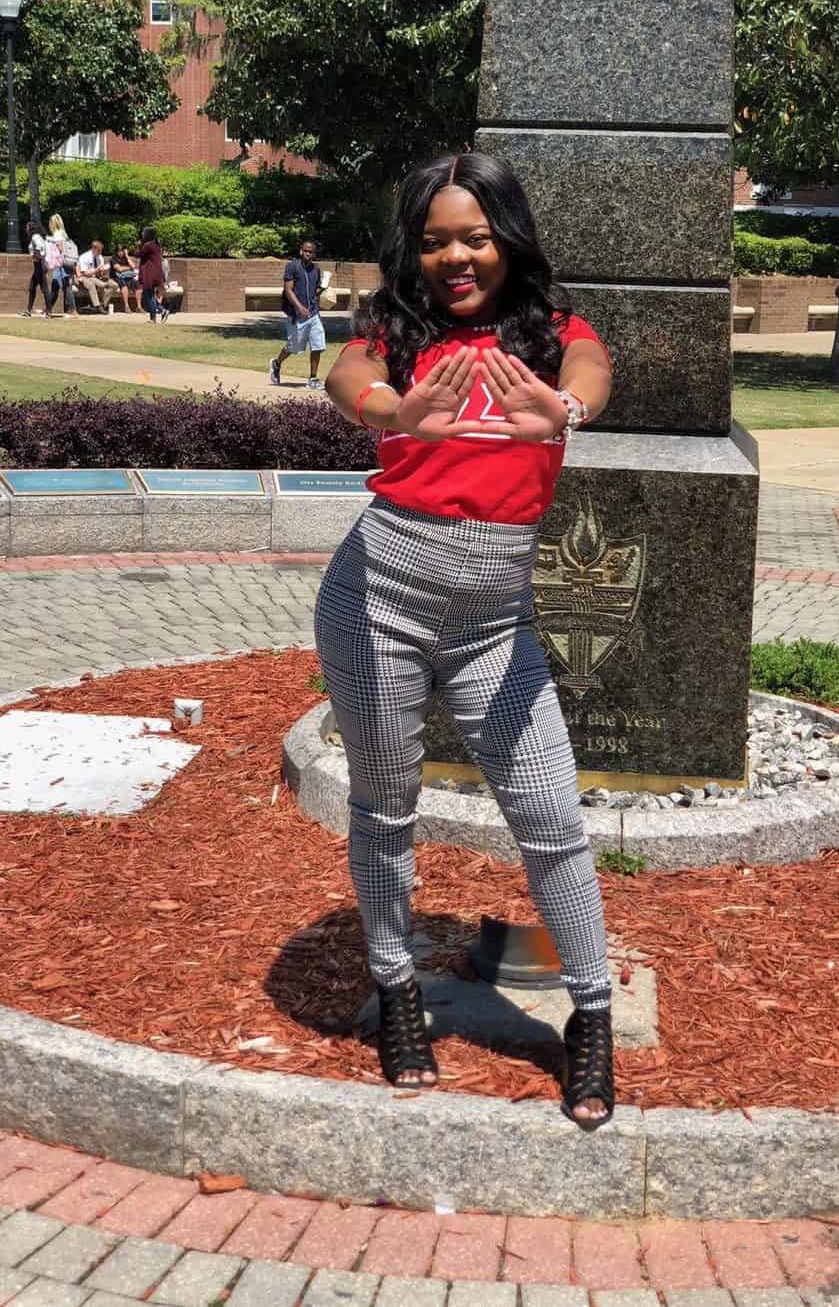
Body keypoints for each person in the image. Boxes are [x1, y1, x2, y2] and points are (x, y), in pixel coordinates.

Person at [316, 152, 616, 1130]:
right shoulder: (398, 334)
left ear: (508, 241)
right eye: (435, 239)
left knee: (551, 814)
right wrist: (396, 411)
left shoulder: (549, 335)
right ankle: (397, 989)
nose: (455, 257)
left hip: (496, 623)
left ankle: (592, 1015)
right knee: (385, 807)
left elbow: (592, 370)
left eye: (475, 238)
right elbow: (345, 372)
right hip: (378, 597)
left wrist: (563, 411)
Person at [269, 240, 326, 390]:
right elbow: (288, 290)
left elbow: (314, 292)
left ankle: (313, 378)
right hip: (297, 315)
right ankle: (276, 363)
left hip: (313, 314)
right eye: (305, 251)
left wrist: (322, 289)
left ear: (314, 254)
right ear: (301, 251)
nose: (308, 253)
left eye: (311, 252)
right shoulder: (292, 266)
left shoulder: (315, 269)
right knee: (293, 347)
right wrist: (300, 307)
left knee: (318, 345)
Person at [46, 214, 78, 318]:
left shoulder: (57, 233)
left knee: (61, 286)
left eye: (50, 222)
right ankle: (48, 309)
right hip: (66, 262)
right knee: (61, 286)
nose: (49, 225)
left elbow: (60, 248)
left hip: (61, 264)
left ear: (53, 223)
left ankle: (72, 311)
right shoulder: (64, 233)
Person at [19, 220, 53, 318]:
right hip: (38, 265)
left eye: (27, 227)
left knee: (44, 288)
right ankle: (28, 311)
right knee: (32, 287)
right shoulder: (36, 237)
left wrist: (37, 256)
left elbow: (39, 247)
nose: (26, 229)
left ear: (31, 228)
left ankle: (49, 312)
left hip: (40, 264)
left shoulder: (35, 237)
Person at [137, 226, 169, 323]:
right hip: (157, 272)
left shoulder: (148, 245)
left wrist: (139, 244)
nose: (142, 234)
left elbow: (138, 254)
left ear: (148, 234)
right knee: (150, 295)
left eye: (144, 233)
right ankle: (153, 318)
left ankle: (161, 310)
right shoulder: (156, 244)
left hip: (150, 273)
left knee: (148, 295)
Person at [76, 239, 117, 313]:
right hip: (84, 277)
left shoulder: (100, 257)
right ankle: (97, 306)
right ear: (94, 249)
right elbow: (84, 273)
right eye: (99, 250)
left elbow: (99, 273)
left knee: (114, 285)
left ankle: (102, 305)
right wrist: (97, 270)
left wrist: (103, 271)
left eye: (101, 250)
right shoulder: (84, 257)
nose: (100, 252)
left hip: (96, 278)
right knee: (91, 283)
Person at [112, 243, 142, 313]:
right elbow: (119, 269)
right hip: (118, 277)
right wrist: (129, 268)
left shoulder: (126, 257)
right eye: (119, 251)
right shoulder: (114, 258)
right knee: (124, 285)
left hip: (128, 277)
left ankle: (139, 307)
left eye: (122, 251)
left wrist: (127, 256)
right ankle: (126, 306)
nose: (120, 253)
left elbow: (133, 266)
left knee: (138, 285)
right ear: (116, 252)